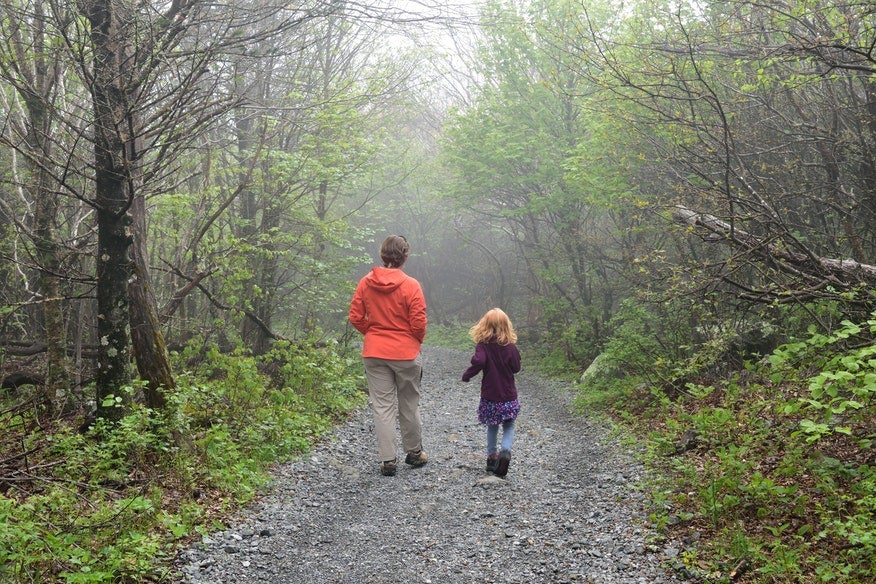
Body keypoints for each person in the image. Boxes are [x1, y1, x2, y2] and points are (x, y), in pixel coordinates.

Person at [349, 235, 428, 476]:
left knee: (382, 406)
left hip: (374, 353)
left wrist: (372, 334)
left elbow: (355, 316)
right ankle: (414, 453)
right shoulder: (411, 285)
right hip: (405, 353)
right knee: (408, 403)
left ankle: (388, 461)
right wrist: (413, 340)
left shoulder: (366, 282)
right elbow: (418, 322)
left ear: (382, 254)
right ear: (405, 256)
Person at [461, 308, 521, 478]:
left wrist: (468, 374)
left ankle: (491, 458)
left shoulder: (483, 346)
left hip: (490, 396)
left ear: (484, 325)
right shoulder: (510, 347)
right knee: (509, 425)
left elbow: (479, 361)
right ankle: (505, 452)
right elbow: (516, 368)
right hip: (508, 396)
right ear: (506, 326)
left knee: (492, 425)